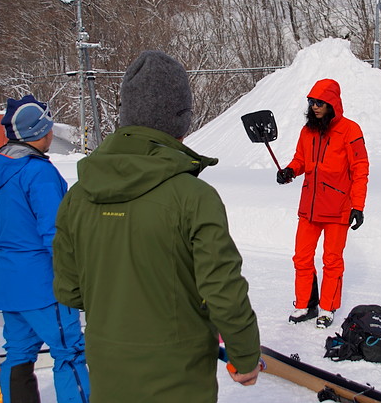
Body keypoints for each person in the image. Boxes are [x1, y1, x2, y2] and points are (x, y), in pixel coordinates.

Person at [53, 50, 261, 403]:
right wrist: (244, 355)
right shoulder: (193, 196)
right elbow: (223, 291)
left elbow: (70, 291)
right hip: (178, 376)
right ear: (180, 119)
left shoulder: (79, 195)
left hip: (108, 371)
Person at [0, 95, 89, 402]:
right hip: (42, 282)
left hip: (9, 280)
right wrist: (75, 276)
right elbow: (55, 233)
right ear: (41, 131)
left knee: (18, 355)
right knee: (69, 352)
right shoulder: (37, 172)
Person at [277, 78, 369, 329]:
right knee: (302, 258)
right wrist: (289, 171)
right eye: (311, 102)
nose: (315, 107)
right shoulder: (307, 131)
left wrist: (357, 206)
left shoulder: (351, 130)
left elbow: (360, 169)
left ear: (332, 103)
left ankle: (327, 308)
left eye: (320, 102)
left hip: (338, 207)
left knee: (332, 260)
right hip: (310, 206)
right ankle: (306, 304)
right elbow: (301, 160)